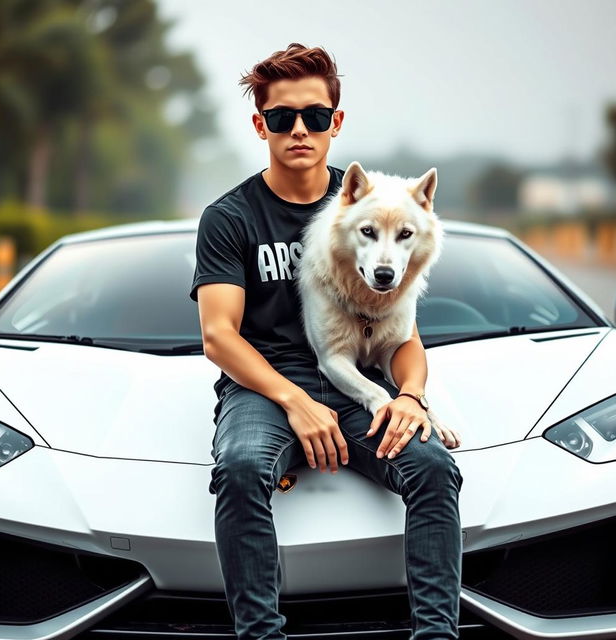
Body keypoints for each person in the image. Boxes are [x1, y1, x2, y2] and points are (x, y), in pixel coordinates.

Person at [188, 42, 464, 640]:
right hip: (262, 386)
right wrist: (295, 401)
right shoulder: (230, 218)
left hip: (357, 382)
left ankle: (437, 635)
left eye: (314, 116)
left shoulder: (378, 207)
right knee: (238, 468)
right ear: (260, 123)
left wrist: (412, 395)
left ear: (335, 123)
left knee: (433, 469)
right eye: (282, 117)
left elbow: (405, 337)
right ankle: (261, 637)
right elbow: (218, 336)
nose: (299, 130)